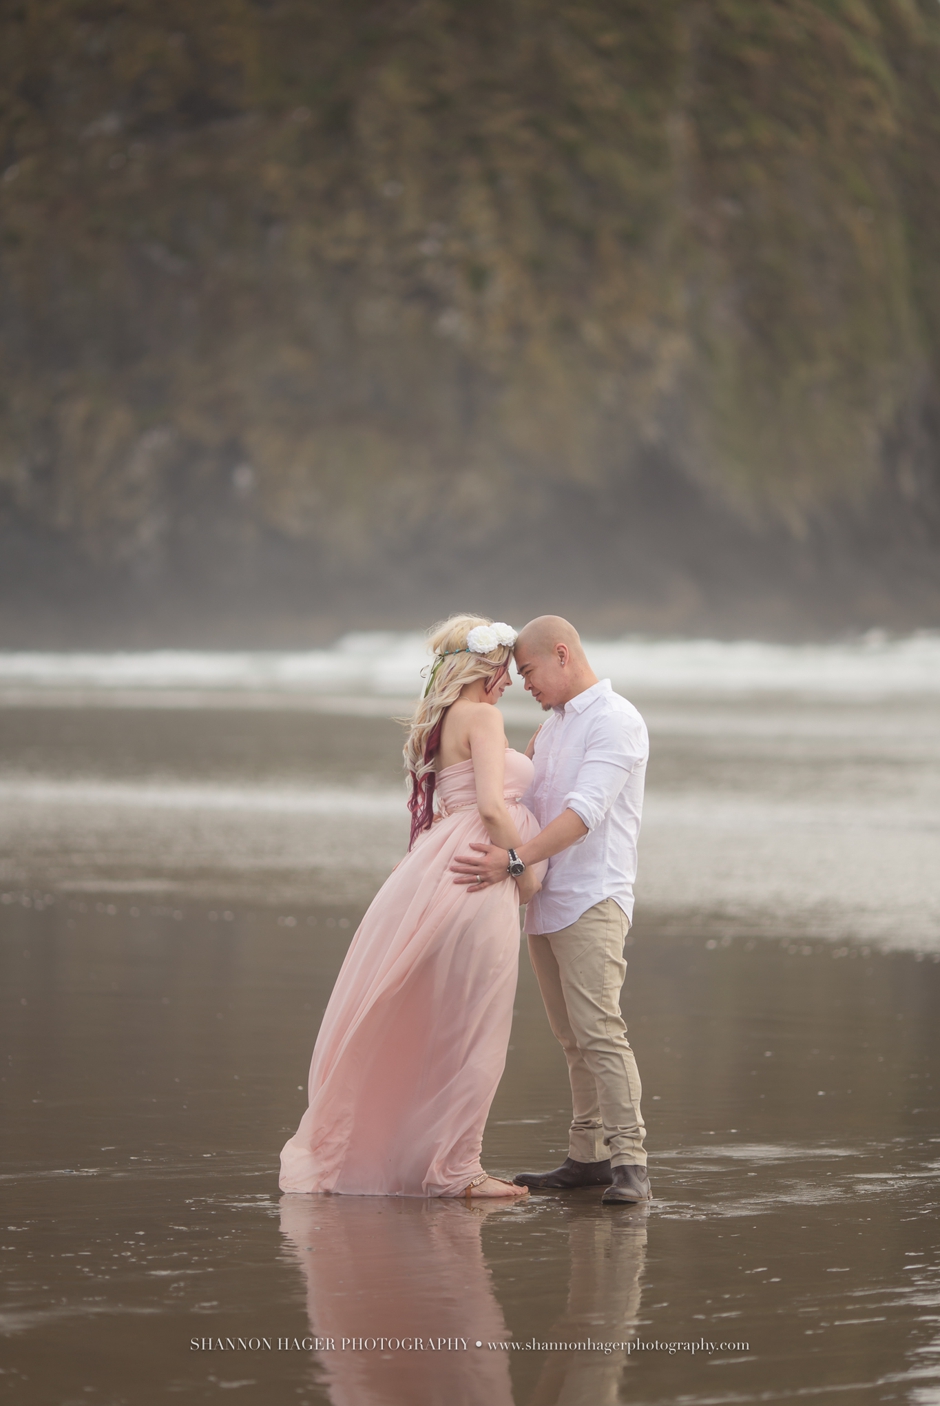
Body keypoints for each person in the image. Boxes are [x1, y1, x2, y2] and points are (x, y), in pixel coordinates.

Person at [279, 614, 545, 1199]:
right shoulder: (483, 716)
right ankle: (456, 1171)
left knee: (435, 1017)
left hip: (438, 865)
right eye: (506, 670)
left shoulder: (449, 717)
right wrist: (524, 873)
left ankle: (428, 1161)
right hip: (478, 869)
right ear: (485, 665)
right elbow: (493, 809)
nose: (512, 683)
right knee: (473, 1023)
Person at [450, 615, 651, 1205]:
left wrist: (512, 861)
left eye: (530, 672)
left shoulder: (616, 722)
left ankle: (631, 1162)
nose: (525, 685)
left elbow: (584, 814)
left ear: (562, 654)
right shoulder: (554, 727)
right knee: (571, 1039)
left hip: (594, 897)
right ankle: (587, 1158)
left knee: (600, 1032)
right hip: (543, 899)